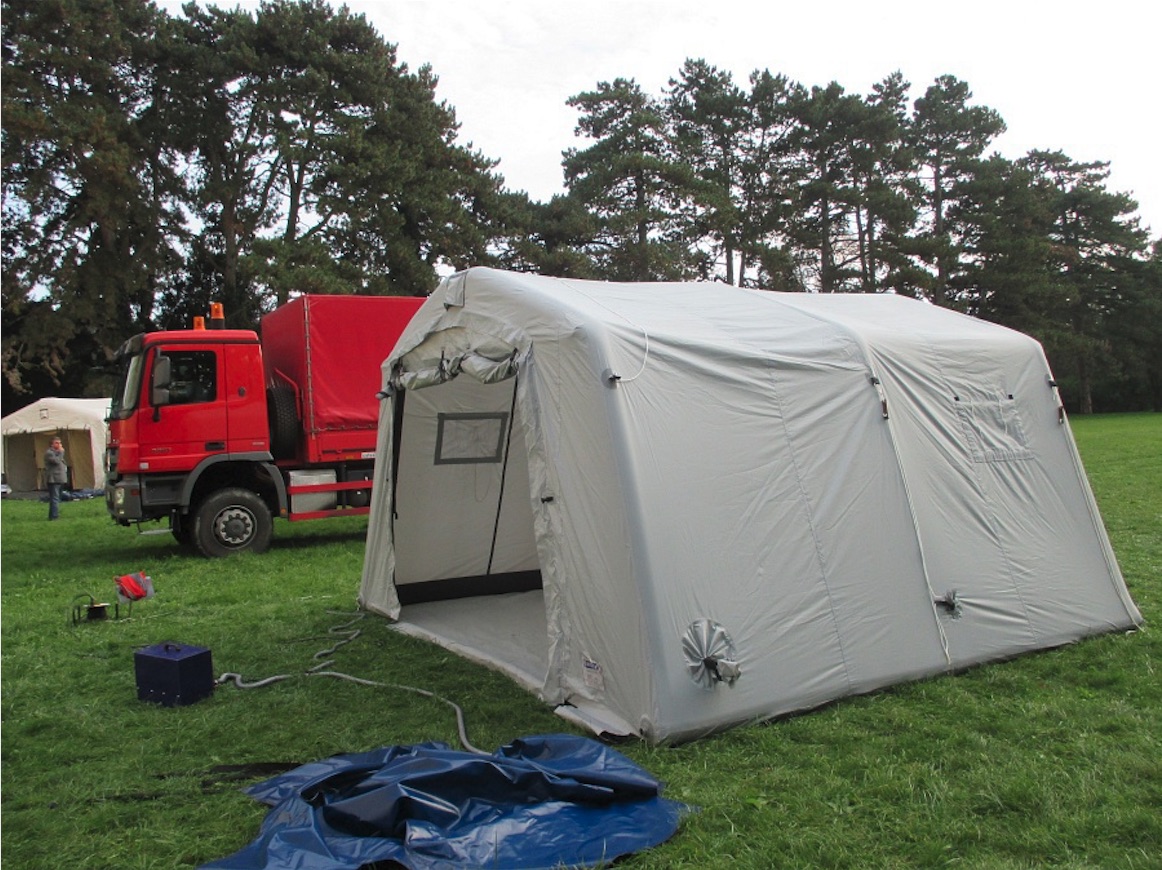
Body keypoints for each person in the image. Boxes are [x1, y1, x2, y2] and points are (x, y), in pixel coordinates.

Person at [44, 435, 68, 520]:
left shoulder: (57, 453)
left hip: (60, 479)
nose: (59, 445)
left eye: (60, 443)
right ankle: (54, 516)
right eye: (56, 443)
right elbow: (56, 461)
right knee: (54, 498)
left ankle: (53, 515)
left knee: (57, 498)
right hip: (53, 479)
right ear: (52, 444)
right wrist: (61, 452)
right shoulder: (49, 453)